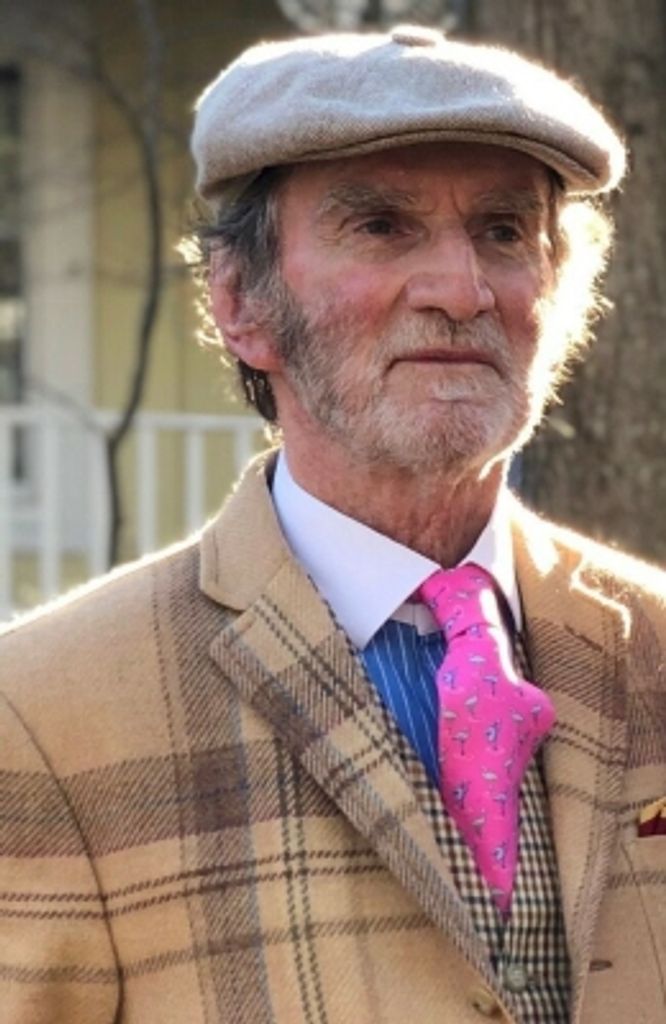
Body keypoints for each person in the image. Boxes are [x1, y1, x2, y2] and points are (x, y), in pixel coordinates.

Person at [0, 24, 664, 1024]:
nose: (462, 290)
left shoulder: (655, 645)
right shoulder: (42, 715)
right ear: (241, 303)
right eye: (382, 226)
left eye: (503, 231)